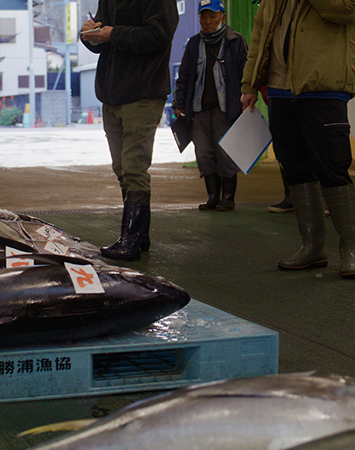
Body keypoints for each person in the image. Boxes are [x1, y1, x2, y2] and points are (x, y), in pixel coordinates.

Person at [241, 0, 355, 278]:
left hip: (323, 87)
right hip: (280, 92)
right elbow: (259, 37)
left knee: (332, 167)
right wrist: (250, 85)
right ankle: (313, 246)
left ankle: (351, 249)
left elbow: (346, 11)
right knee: (295, 168)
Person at [80, 0, 178, 261]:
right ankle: (139, 236)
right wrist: (90, 33)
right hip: (111, 95)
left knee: (134, 167)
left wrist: (112, 33)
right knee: (121, 168)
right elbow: (100, 37)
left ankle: (132, 238)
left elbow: (159, 35)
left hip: (142, 93)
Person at [173, 0, 247, 212]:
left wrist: (245, 101)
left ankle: (228, 197)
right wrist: (179, 103)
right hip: (199, 110)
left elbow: (246, 74)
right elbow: (184, 76)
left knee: (226, 153)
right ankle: (213, 196)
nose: (207, 21)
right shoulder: (194, 43)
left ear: (222, 17)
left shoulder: (236, 41)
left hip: (227, 109)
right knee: (204, 154)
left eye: (212, 17)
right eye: (203, 17)